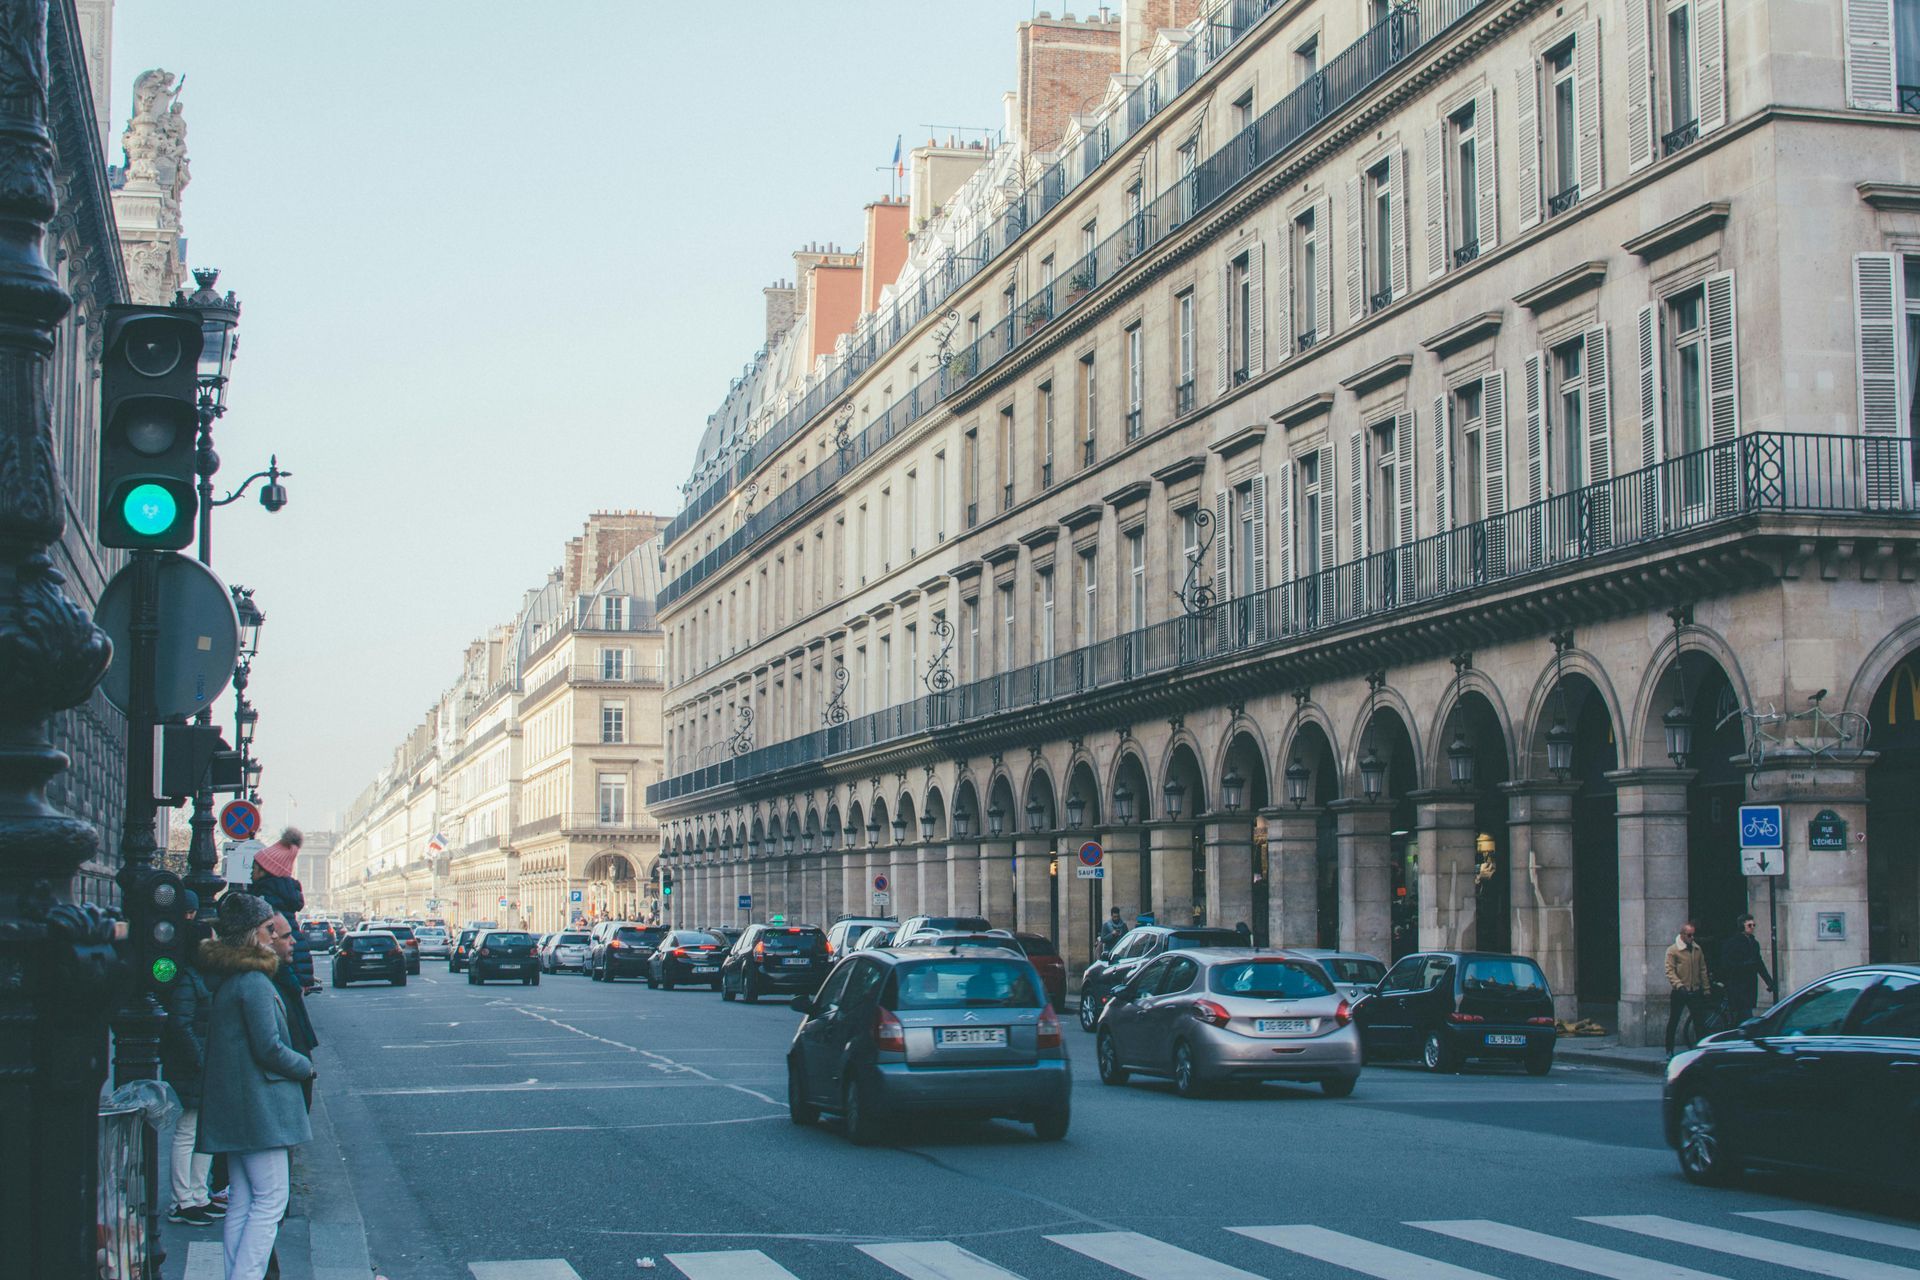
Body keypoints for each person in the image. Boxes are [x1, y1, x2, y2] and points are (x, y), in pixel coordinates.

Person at [196, 895, 315, 1280]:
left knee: (243, 1202)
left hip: (237, 1105)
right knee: (270, 1201)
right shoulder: (254, 982)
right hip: (260, 1108)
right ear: (252, 935)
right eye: (267, 929)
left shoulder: (232, 980)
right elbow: (269, 1048)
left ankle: (236, 1273)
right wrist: (304, 1066)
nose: (273, 936)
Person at [162, 891, 218, 1226]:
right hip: (193, 1064)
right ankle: (184, 1200)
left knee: (201, 1130)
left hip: (201, 1061)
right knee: (189, 1130)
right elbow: (181, 1025)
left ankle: (198, 1194)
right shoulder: (187, 978)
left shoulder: (195, 976)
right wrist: (200, 1060)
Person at [1664, 919, 1712, 1055]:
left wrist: (1706, 988)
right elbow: (1670, 971)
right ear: (1683, 935)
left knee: (1699, 1022)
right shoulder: (1673, 950)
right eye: (1689, 935)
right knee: (1674, 1020)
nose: (1692, 938)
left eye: (1693, 935)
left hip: (1694, 990)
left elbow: (1703, 969)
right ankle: (1669, 1049)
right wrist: (1679, 986)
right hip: (1680, 991)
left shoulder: (1697, 949)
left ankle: (1701, 1050)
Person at [1718, 912, 1776, 1022]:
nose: (1752, 928)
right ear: (1742, 926)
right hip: (1737, 984)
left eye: (1754, 925)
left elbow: (1759, 964)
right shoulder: (1733, 943)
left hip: (1749, 983)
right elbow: (1726, 963)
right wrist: (1743, 965)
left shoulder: (1754, 943)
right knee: (1745, 1015)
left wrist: (1769, 981)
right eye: (1749, 925)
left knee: (1743, 1016)